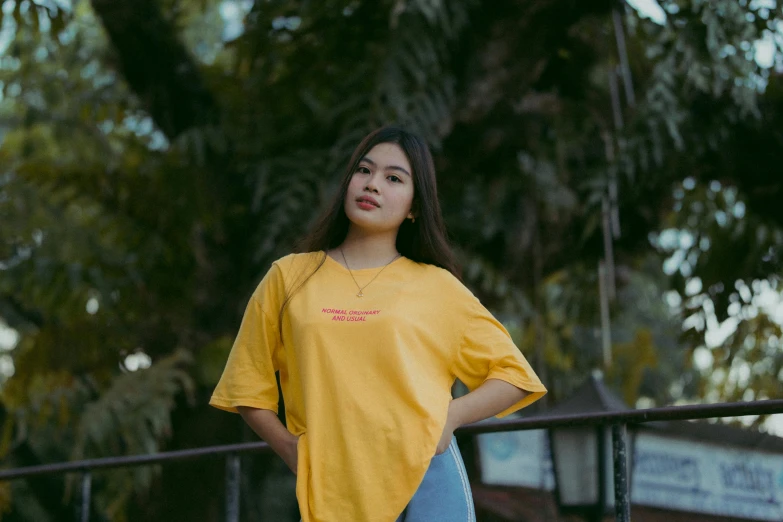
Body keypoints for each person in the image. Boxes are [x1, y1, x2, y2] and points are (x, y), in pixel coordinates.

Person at [209, 125, 547, 522]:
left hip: (425, 481)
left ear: (414, 207)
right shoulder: (289, 277)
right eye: (364, 171)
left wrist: (449, 418)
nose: (372, 185)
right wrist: (291, 451)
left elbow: (514, 376)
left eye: (393, 178)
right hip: (333, 490)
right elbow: (247, 386)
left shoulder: (436, 286)